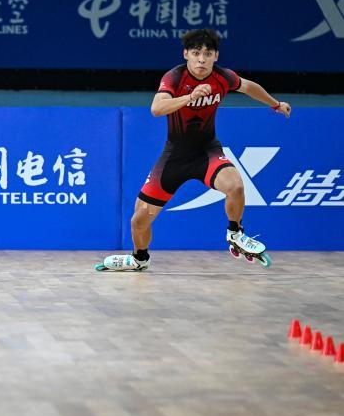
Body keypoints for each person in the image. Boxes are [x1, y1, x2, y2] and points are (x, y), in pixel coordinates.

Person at [97, 28, 291, 271]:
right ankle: (139, 258)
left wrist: (275, 104)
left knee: (236, 186)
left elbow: (248, 86)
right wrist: (190, 97)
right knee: (139, 220)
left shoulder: (223, 77)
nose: (201, 59)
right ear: (186, 54)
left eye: (208, 54)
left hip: (207, 152)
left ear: (216, 56)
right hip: (175, 158)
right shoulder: (175, 77)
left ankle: (235, 233)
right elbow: (156, 108)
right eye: (196, 53)